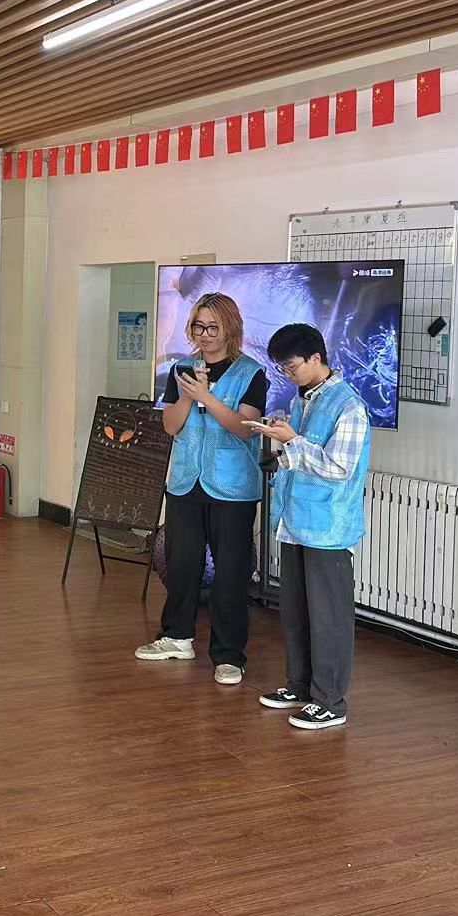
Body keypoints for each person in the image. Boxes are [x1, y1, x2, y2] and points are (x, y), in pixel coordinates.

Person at [137, 293, 268, 685]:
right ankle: (177, 636)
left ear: (230, 328)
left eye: (213, 327)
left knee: (231, 571)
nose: (205, 334)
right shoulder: (181, 369)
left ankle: (228, 655)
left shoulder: (251, 373)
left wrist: (207, 397)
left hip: (232, 486)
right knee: (182, 563)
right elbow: (170, 425)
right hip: (185, 481)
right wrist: (187, 395)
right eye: (199, 326)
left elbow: (244, 428)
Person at [256, 323, 371, 731]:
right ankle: (300, 685)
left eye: (291, 367)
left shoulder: (349, 406)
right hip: (295, 521)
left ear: (316, 358)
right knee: (296, 612)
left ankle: (330, 701)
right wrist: (281, 441)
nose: (287, 375)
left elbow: (339, 467)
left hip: (328, 527)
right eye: (282, 368)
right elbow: (301, 457)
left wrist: (292, 441)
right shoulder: (303, 398)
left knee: (329, 618)